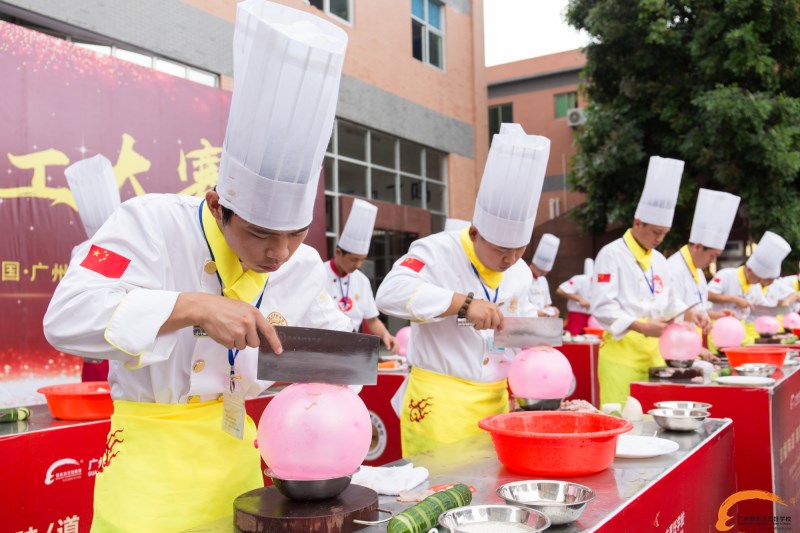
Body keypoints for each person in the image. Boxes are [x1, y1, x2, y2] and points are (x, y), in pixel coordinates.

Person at [43, 2, 351, 531]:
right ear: (216, 204)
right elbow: (66, 317)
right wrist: (191, 306)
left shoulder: (300, 267)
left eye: (295, 234)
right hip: (147, 476)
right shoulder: (150, 224)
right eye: (259, 234)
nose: (278, 253)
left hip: (242, 470)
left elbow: (339, 355)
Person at [376, 123, 547, 456]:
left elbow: (518, 323)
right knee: (440, 496)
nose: (510, 259)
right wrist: (462, 303)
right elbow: (390, 293)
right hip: (441, 403)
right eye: (500, 249)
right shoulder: (436, 251)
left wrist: (533, 331)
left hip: (496, 401)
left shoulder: (520, 272)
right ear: (474, 233)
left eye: (519, 249)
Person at [591, 156, 707, 405]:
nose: (659, 240)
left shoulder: (659, 260)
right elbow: (602, 307)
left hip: (656, 355)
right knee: (622, 426)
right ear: (637, 222)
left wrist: (689, 313)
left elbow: (669, 301)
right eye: (656, 232)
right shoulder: (611, 254)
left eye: (664, 234)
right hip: (621, 357)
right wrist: (640, 326)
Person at [64, 154, 121, 382]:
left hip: (123, 336)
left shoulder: (132, 247)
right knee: (96, 392)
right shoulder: (82, 251)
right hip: (94, 334)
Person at [666, 189, 741, 361]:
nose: (712, 261)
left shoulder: (698, 271)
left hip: (691, 345)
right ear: (698, 246)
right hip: (675, 347)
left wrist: (714, 316)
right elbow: (669, 312)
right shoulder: (673, 268)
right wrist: (696, 349)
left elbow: (699, 309)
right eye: (712, 255)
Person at [326, 199, 398, 353]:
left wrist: (386, 334)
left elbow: (371, 319)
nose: (358, 265)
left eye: (361, 260)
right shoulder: (318, 273)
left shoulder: (361, 280)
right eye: (354, 259)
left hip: (351, 348)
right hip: (322, 346)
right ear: (338, 253)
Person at [708, 231, 792, 343]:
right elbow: (708, 294)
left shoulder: (755, 286)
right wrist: (735, 299)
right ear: (749, 269)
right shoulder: (726, 275)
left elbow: (760, 306)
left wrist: (779, 307)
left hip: (741, 334)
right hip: (719, 332)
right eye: (758, 277)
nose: (759, 281)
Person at [556, 258, 594, 335]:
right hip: (577, 316)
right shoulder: (580, 279)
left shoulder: (604, 284)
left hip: (593, 319)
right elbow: (560, 291)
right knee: (572, 340)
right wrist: (579, 298)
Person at [528, 233, 560, 317]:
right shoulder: (522, 276)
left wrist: (552, 310)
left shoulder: (543, 280)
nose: (544, 273)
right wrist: (535, 313)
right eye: (541, 270)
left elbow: (546, 305)